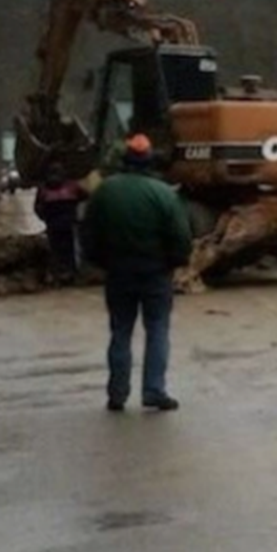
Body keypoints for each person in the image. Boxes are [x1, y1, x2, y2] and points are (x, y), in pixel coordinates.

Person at [83, 134, 193, 413]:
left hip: (118, 274)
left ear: (125, 160)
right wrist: (175, 262)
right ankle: (154, 391)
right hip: (155, 274)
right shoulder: (163, 193)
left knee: (120, 331)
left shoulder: (105, 192)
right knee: (157, 330)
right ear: (149, 161)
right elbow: (180, 236)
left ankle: (117, 393)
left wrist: (100, 262)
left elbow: (88, 234)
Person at [34, 163, 88, 284]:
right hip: (69, 224)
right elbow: (86, 195)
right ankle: (72, 273)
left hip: (52, 225)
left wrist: (44, 218)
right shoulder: (72, 187)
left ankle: (57, 275)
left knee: (55, 250)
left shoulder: (44, 189)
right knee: (71, 250)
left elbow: (37, 207)